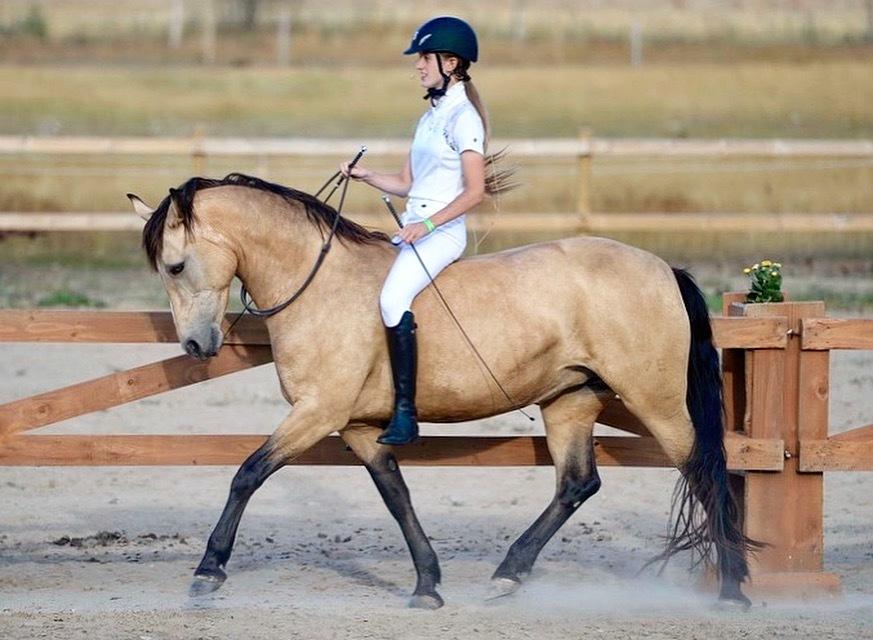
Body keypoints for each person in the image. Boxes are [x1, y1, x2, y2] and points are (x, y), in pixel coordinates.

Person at [341, 16, 509, 446]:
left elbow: (473, 193)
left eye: (424, 58)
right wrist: (365, 175)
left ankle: (405, 413)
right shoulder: (429, 117)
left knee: (393, 297)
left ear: (451, 63)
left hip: (442, 233)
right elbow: (406, 183)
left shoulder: (464, 119)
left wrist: (428, 225)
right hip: (417, 229)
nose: (417, 66)